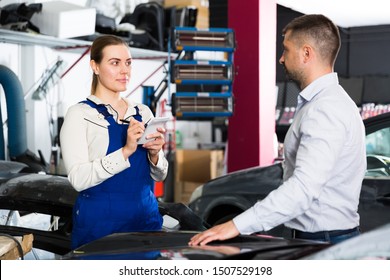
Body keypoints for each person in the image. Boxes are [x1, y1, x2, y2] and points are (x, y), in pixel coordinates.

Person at [189, 14, 366, 246]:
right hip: (325, 238)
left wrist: (235, 225)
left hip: (322, 244)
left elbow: (303, 188)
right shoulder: (332, 102)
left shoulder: (325, 110)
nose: (281, 59)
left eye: (286, 50)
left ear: (306, 53)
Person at [60, 34, 168, 249]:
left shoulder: (143, 112)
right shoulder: (79, 115)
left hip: (146, 223)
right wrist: (126, 151)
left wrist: (155, 155)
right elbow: (79, 179)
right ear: (95, 66)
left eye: (128, 63)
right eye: (115, 63)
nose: (125, 70)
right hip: (100, 228)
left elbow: (160, 174)